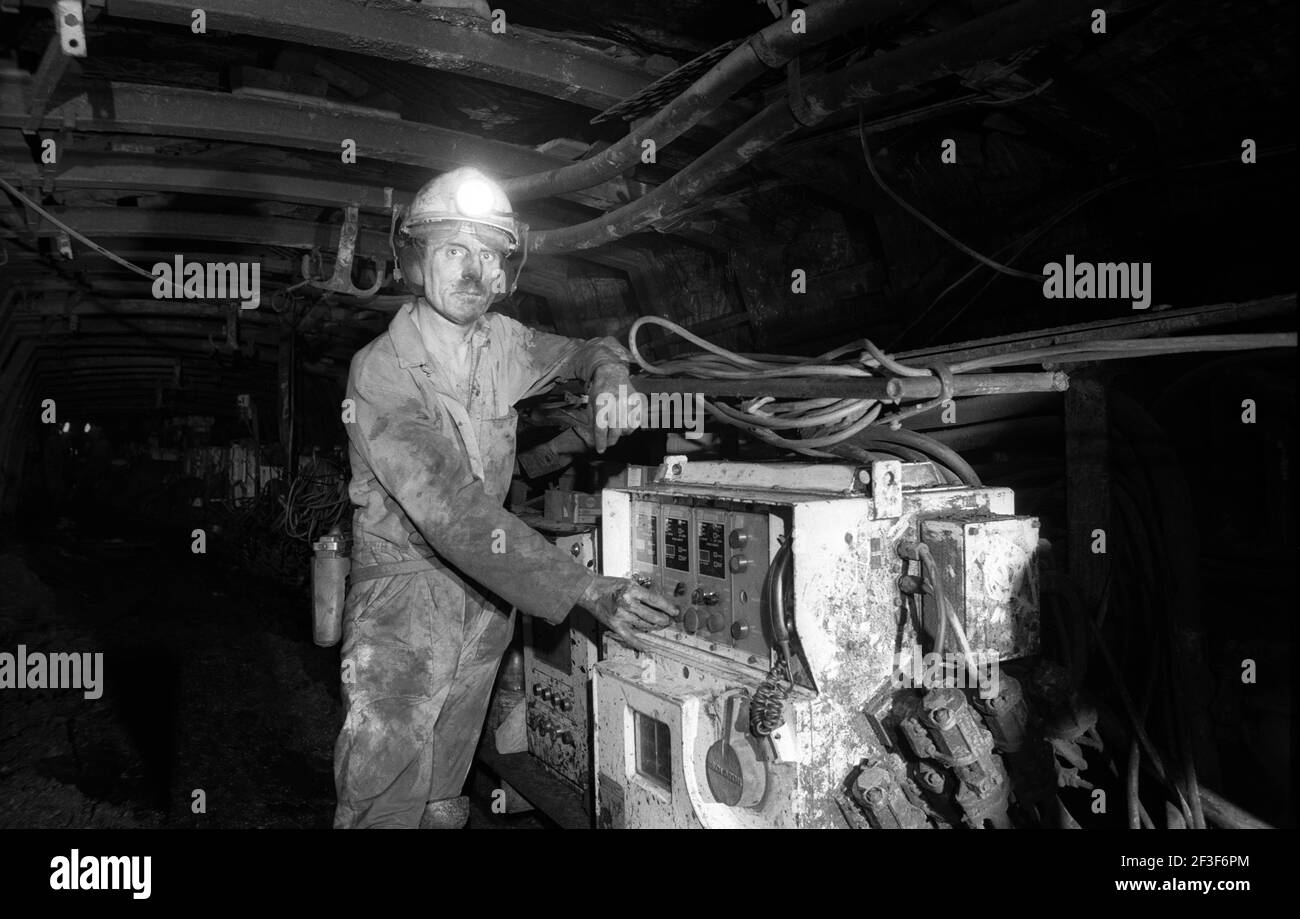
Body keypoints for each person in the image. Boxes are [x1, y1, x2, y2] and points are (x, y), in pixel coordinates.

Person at [335, 167, 678, 828]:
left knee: (442, 794)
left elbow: (585, 348)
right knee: (381, 802)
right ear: (414, 259)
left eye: (489, 255)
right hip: (403, 615)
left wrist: (609, 375)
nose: (473, 271)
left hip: (485, 607)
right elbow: (454, 513)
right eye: (454, 251)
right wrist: (584, 587)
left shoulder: (501, 343)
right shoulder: (379, 370)